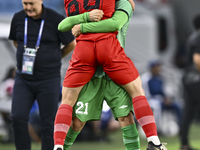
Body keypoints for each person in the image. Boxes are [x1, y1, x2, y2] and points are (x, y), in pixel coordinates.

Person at [54, 0, 167, 150]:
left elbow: (114, 23)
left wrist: (82, 25)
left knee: (125, 117)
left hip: (109, 72)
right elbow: (63, 25)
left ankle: (151, 143)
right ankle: (60, 147)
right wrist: (87, 17)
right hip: (102, 62)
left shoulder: (124, 4)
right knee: (77, 122)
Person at [8, 0, 76, 149]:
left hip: (48, 79)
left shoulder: (56, 20)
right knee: (18, 117)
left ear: (41, 1)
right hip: (23, 78)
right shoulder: (18, 18)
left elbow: (71, 43)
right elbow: (16, 41)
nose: (28, 7)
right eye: (25, 3)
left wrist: (54, 58)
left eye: (31, 3)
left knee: (49, 122)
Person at [141, 60, 182, 133]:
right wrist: (160, 99)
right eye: (157, 67)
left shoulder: (160, 78)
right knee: (157, 107)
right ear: (152, 68)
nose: (159, 68)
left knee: (178, 105)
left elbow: (162, 91)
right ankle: (157, 129)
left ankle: (181, 126)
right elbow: (145, 93)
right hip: (149, 100)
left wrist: (166, 99)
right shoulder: (145, 78)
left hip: (160, 99)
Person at [180, 13, 200, 150]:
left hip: (187, 78)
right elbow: (197, 58)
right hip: (196, 79)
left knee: (188, 111)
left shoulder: (192, 36)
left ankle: (184, 144)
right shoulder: (199, 37)